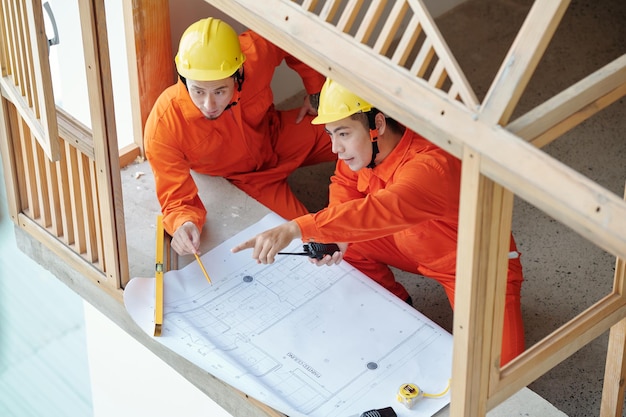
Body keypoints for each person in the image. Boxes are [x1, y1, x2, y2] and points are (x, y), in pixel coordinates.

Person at [232, 79, 525, 365]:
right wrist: (336, 237)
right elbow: (344, 187)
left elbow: (379, 211)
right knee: (341, 242)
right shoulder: (364, 153)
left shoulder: (429, 166)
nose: (335, 148)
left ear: (378, 125)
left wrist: (296, 227)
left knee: (498, 375)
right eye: (330, 134)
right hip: (408, 240)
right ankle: (396, 310)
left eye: (343, 133)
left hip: (473, 267)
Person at [144, 18, 336, 256]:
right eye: (198, 91)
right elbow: (175, 197)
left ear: (239, 74)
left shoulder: (254, 54)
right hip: (248, 180)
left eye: (220, 91)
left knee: (362, 137)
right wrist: (184, 224)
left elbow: (292, 32)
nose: (209, 104)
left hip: (277, 135)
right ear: (183, 79)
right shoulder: (165, 123)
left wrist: (317, 92)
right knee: (312, 241)